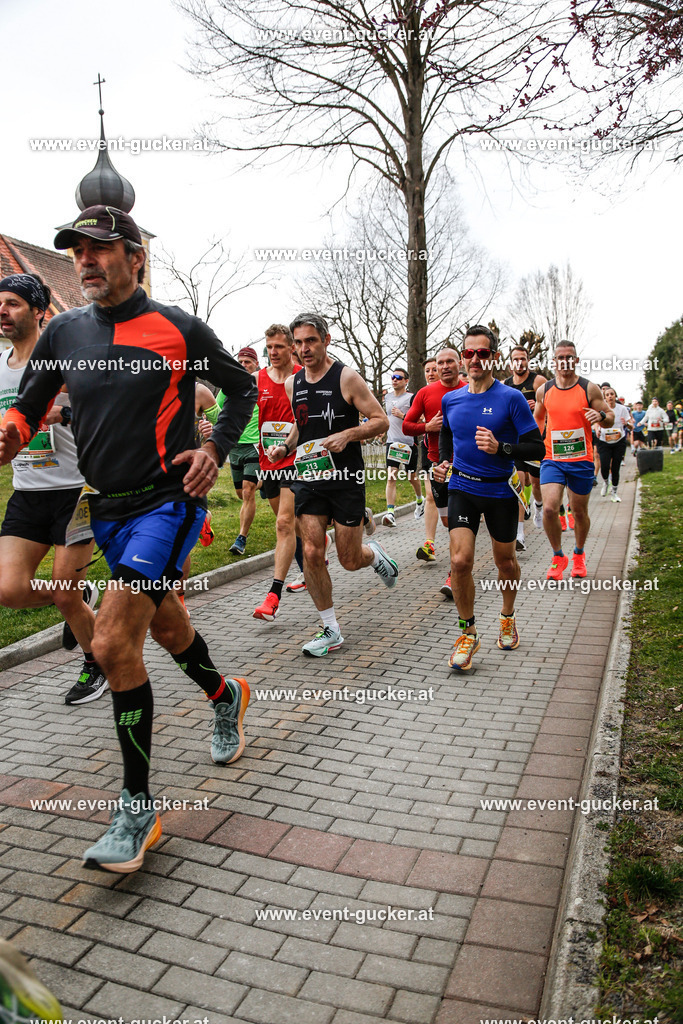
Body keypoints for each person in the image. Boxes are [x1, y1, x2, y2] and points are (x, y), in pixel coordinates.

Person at [0, 205, 257, 873]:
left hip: (167, 504)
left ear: (133, 256)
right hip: (105, 508)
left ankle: (137, 808)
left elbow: (241, 388)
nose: (85, 259)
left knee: (113, 642)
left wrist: (216, 450)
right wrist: (13, 433)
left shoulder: (178, 328)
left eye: (99, 248)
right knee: (169, 631)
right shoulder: (63, 332)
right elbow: (31, 404)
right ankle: (224, 695)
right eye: (76, 250)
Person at [0, 272, 105, 706]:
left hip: (77, 490)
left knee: (62, 592)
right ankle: (81, 595)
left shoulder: (66, 361)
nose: (2, 311)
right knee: (8, 590)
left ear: (40, 312)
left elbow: (104, 408)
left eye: (13, 303)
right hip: (27, 489)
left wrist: (58, 415)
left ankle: (95, 662)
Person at [270, 312, 398, 656]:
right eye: (298, 342)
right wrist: (285, 446)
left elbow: (380, 421)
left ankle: (374, 556)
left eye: (310, 340)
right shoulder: (292, 383)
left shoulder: (347, 378)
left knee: (348, 558)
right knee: (312, 551)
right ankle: (330, 628)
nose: (303, 348)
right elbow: (302, 425)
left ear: (326, 340)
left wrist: (348, 434)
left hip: (345, 479)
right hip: (308, 478)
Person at [432, 325, 545, 671]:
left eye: (483, 353)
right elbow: (448, 438)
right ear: (464, 357)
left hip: (500, 490)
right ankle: (468, 634)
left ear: (493, 356)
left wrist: (502, 448)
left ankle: (507, 616)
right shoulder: (451, 399)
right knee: (461, 561)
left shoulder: (509, 398)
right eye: (470, 353)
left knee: (505, 562)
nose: (475, 359)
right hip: (462, 487)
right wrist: (444, 463)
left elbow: (537, 447)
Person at [534, 340, 613, 581]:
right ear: (554, 361)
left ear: (576, 360)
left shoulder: (589, 389)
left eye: (570, 357)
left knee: (579, 512)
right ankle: (559, 557)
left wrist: (599, 415)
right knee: (549, 508)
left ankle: (578, 554)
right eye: (560, 357)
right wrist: (534, 444)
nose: (565, 361)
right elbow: (537, 419)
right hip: (552, 459)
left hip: (581, 459)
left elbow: (609, 417)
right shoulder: (544, 390)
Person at [252, 324, 305, 618]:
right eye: (269, 347)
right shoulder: (257, 379)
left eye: (279, 347)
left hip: (296, 459)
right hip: (268, 462)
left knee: (284, 524)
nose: (273, 352)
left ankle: (273, 596)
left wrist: (287, 445)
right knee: (293, 525)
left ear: (291, 348)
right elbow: (234, 410)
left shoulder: (302, 378)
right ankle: (318, 546)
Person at [403, 348, 464, 586]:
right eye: (441, 363)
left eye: (450, 361)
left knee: (459, 521)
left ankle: (454, 574)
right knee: (448, 521)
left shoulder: (470, 389)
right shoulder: (426, 393)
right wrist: (427, 427)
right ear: (436, 368)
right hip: (438, 464)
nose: (445, 366)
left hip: (466, 464)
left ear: (460, 363)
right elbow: (407, 425)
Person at [503, 344, 547, 545]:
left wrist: (537, 404)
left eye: (523, 358)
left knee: (535, 483)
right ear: (510, 362)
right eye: (515, 359)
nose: (519, 362)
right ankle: (519, 533)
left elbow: (550, 406)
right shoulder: (505, 384)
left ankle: (538, 506)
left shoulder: (538, 381)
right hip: (516, 441)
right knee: (519, 483)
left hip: (535, 440)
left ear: (528, 361)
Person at [225, 346, 261, 555]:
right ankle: (265, 482)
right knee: (241, 494)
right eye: (241, 362)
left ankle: (241, 539)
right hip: (235, 448)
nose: (244, 365)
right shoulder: (228, 388)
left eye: (248, 362)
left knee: (248, 491)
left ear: (256, 364)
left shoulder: (262, 385)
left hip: (256, 445)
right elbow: (217, 412)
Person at [382, 366, 424, 527]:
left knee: (411, 477)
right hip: (392, 442)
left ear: (406, 381)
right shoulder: (387, 397)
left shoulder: (412, 398)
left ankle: (419, 500)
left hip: (408, 442)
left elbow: (420, 419)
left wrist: (403, 415)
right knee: (391, 476)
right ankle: (390, 513)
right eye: (393, 377)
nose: (395, 380)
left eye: (399, 377)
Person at [596, 387, 632, 502]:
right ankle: (606, 483)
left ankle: (614, 493)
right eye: (607, 395)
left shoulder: (622, 409)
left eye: (612, 394)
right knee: (605, 466)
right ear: (604, 397)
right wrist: (597, 429)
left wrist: (627, 424)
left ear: (615, 396)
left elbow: (631, 425)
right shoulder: (601, 408)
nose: (610, 396)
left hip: (618, 441)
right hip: (604, 441)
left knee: (615, 468)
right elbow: (596, 423)